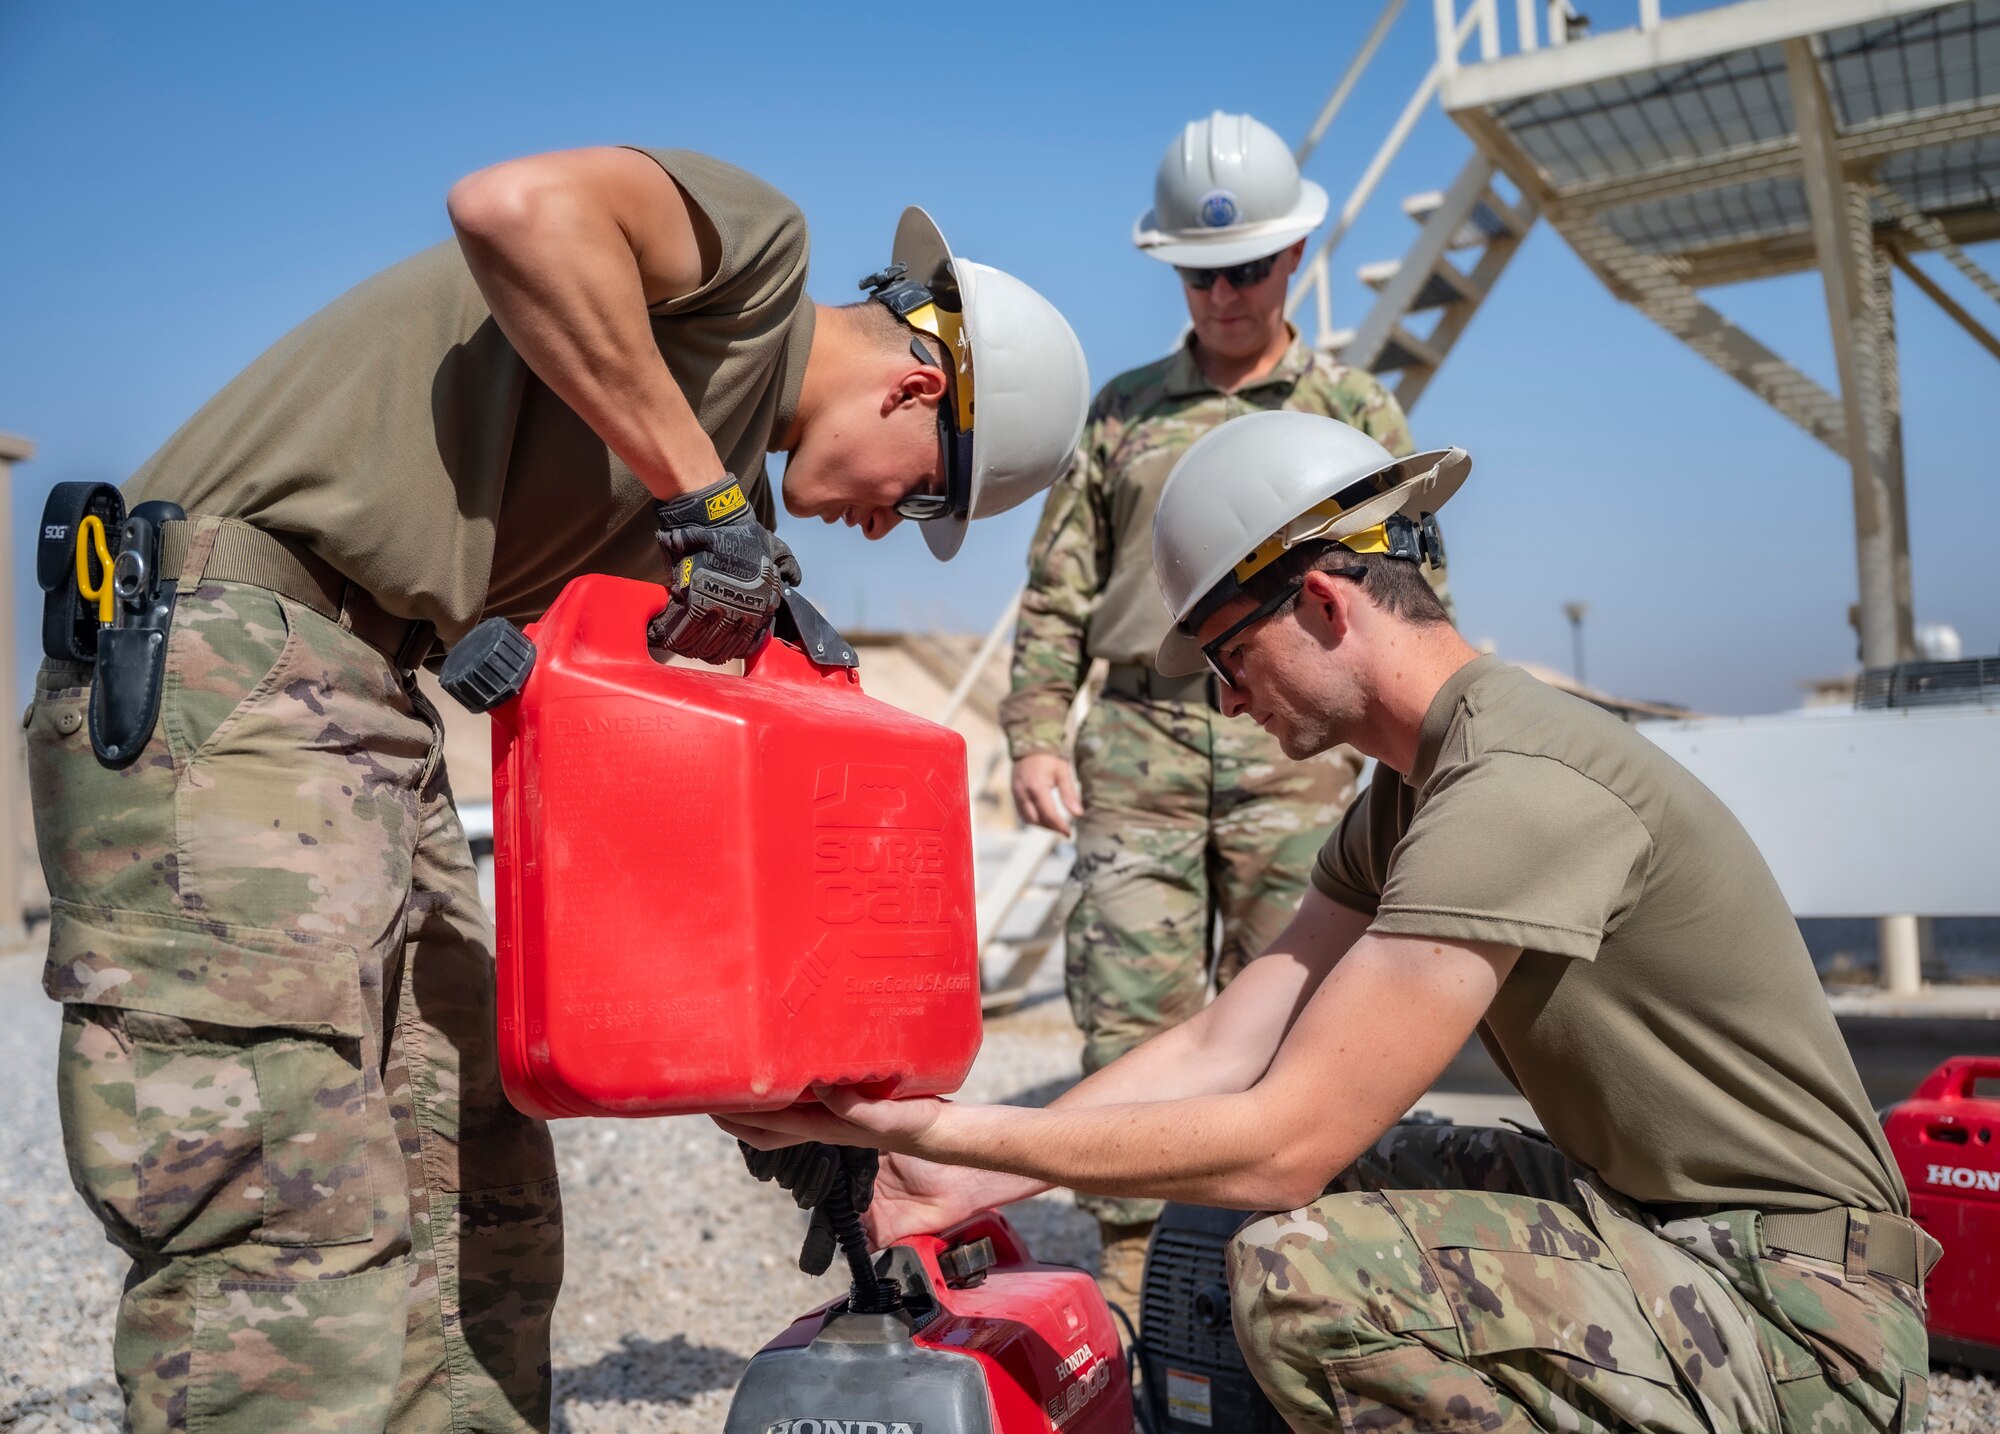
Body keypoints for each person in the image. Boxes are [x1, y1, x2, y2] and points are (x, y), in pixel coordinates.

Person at [26, 145, 1087, 1434]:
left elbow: (671, 841)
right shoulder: (753, 271)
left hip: (367, 700)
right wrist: (697, 495)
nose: (885, 529)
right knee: (283, 1209)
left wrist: (791, 1109)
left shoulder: (707, 521)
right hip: (228, 656)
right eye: (923, 495)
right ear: (917, 389)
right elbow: (511, 208)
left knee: (474, 1184)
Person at [725, 410, 1937, 1434]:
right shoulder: (1412, 789)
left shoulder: (1514, 785)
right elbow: (1221, 1048)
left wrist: (960, 1130)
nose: (1223, 698)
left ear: (1318, 602)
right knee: (1269, 1192)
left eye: (1225, 656)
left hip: (1798, 1316)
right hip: (1668, 1229)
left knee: (1305, 1270)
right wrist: (941, 1173)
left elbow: (1281, 1139)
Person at [1000, 112, 1415, 1317]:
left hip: (1292, 745)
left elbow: (1404, 599)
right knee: (1131, 1012)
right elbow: (1058, 582)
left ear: (1293, 260)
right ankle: (1134, 1278)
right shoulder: (1122, 412)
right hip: (1137, 738)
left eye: (1244, 269)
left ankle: (1280, 1274)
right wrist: (1033, 729)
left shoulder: (1352, 410)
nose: (1223, 294)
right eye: (1198, 273)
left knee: (1292, 1005)